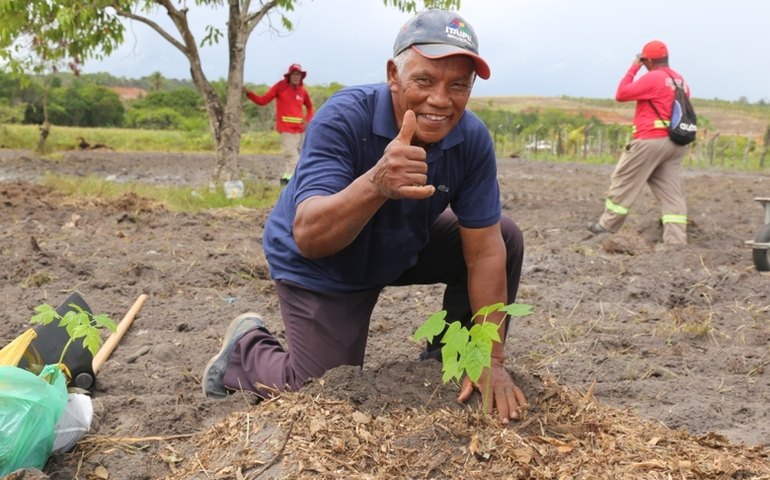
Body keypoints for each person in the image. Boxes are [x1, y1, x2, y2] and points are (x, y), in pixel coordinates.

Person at [204, 9, 527, 424]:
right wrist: (376, 183)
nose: (441, 99)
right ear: (394, 74)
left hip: (399, 241)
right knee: (324, 394)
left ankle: (451, 359)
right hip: (323, 257)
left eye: (458, 85)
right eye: (424, 80)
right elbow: (310, 235)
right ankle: (245, 351)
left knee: (504, 235)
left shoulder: (471, 138)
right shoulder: (344, 118)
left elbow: (483, 252)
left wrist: (493, 358)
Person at [587, 40, 691, 245]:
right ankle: (676, 240)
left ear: (648, 61)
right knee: (672, 193)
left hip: (650, 140)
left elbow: (621, 94)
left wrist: (634, 66)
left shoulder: (652, 78)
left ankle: (607, 226)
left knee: (623, 179)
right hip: (677, 143)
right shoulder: (680, 80)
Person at [243, 63, 314, 185]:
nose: (296, 77)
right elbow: (262, 100)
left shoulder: (303, 91)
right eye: (294, 74)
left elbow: (309, 106)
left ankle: (286, 180)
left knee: (292, 157)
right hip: (286, 129)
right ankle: (298, 181)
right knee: (292, 155)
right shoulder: (280, 87)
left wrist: (308, 120)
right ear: (289, 75)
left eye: (299, 75)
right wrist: (249, 93)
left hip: (299, 130)